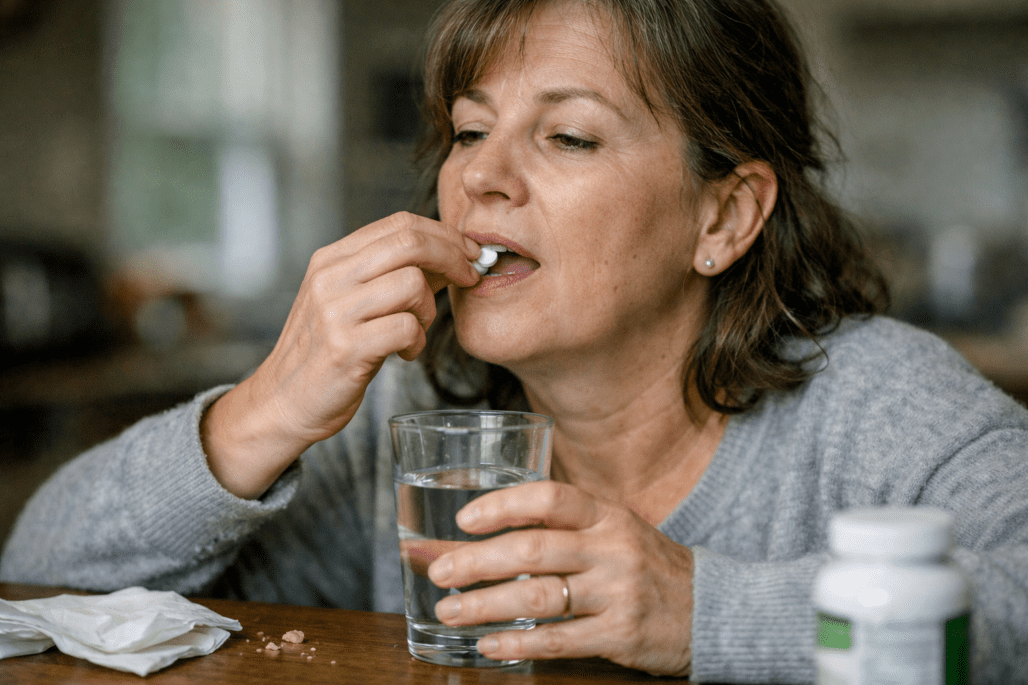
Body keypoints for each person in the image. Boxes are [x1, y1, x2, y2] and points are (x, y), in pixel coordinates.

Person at [3, 0, 1027, 681]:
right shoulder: (406, 425)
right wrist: (267, 403)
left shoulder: (871, 401)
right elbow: (40, 579)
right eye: (467, 129)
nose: (479, 179)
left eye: (567, 135)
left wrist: (696, 606)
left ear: (721, 218)